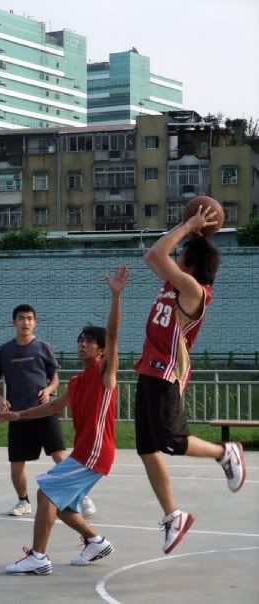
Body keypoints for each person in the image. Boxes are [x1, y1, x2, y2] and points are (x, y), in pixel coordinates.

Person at [0, 267, 128, 575]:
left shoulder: (104, 374)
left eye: (89, 341)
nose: (82, 344)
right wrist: (18, 414)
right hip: (83, 453)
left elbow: (113, 333)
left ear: (101, 350)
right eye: (80, 340)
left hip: (95, 453)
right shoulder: (77, 381)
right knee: (65, 506)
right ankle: (95, 541)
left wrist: (115, 296)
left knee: (45, 492)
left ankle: (38, 558)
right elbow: (52, 407)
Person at [134, 206, 246, 555]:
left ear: (192, 267)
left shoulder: (194, 291)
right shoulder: (173, 283)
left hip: (166, 372)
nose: (176, 257)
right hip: (148, 369)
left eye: (182, 255)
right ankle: (174, 516)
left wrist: (187, 226)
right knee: (146, 448)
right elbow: (151, 257)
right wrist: (189, 230)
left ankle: (224, 452)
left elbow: (158, 253)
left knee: (173, 441)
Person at [0, 304, 95, 518]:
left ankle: (82, 496)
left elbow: (55, 379)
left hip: (45, 411)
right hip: (18, 415)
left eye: (29, 318)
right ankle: (23, 501)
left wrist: (49, 390)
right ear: (14, 322)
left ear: (34, 322)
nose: (25, 322)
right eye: (21, 318)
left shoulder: (43, 347)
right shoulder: (3, 351)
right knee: (17, 465)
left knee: (59, 457)